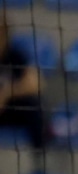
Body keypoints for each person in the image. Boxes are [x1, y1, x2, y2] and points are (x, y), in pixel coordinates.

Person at [0, 18, 46, 150]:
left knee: (32, 105)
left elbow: (36, 83)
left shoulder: (15, 56)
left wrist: (7, 93)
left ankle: (40, 155)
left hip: (8, 110)